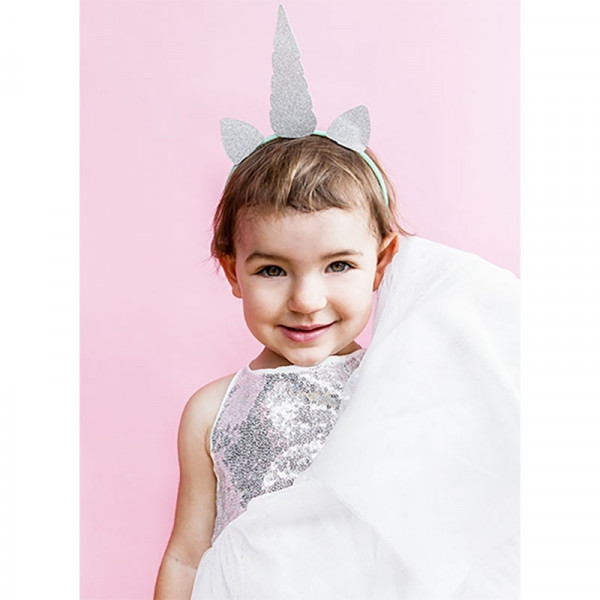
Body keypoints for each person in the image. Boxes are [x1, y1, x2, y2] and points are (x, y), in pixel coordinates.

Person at [155, 6, 519, 599]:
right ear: (232, 271)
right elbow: (187, 556)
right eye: (272, 270)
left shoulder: (398, 386)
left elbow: (438, 529)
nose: (306, 300)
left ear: (382, 262)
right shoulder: (211, 412)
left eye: (339, 266)